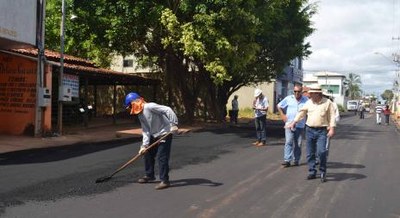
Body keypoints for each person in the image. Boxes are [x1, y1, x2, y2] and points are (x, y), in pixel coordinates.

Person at [124, 92, 179, 190]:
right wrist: (144, 146)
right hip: (154, 134)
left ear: (134, 103)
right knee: (147, 153)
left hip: (164, 133)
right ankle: (149, 175)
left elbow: (168, 109)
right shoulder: (140, 114)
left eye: (129, 106)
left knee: (162, 157)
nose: (129, 109)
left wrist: (174, 124)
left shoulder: (149, 106)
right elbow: (145, 130)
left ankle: (165, 181)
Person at [287, 84, 336, 182]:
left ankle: (322, 171)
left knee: (321, 152)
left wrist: (332, 128)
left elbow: (332, 116)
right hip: (309, 130)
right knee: (310, 153)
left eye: (311, 93)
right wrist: (294, 122)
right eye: (310, 93)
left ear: (317, 94)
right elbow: (302, 113)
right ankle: (312, 171)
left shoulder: (327, 103)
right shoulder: (309, 103)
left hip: (322, 130)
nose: (310, 95)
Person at [277, 85, 308, 167]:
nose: (296, 93)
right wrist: (282, 115)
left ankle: (296, 160)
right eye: (295, 91)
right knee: (288, 142)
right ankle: (287, 160)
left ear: (301, 92)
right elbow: (279, 106)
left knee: (298, 143)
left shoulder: (306, 100)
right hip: (289, 124)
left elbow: (309, 111)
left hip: (300, 125)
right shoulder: (289, 98)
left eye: (298, 91)